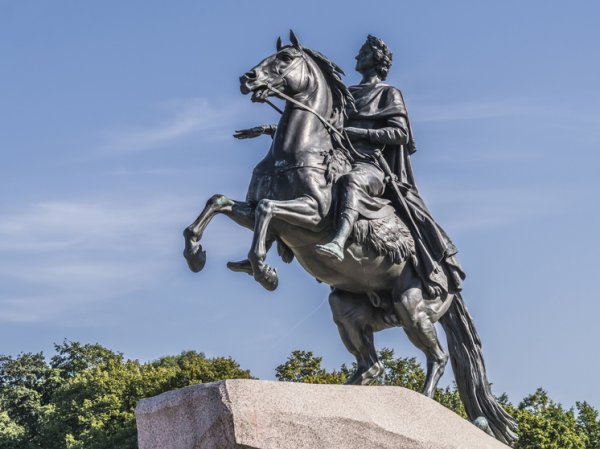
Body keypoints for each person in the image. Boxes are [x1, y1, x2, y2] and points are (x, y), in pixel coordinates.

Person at [314, 35, 464, 296]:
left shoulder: (388, 93)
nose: (356, 57)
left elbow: (400, 133)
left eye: (362, 52)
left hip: (370, 165)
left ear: (377, 59)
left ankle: (339, 241)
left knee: (350, 182)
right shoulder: (347, 94)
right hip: (340, 159)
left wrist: (360, 133)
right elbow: (323, 128)